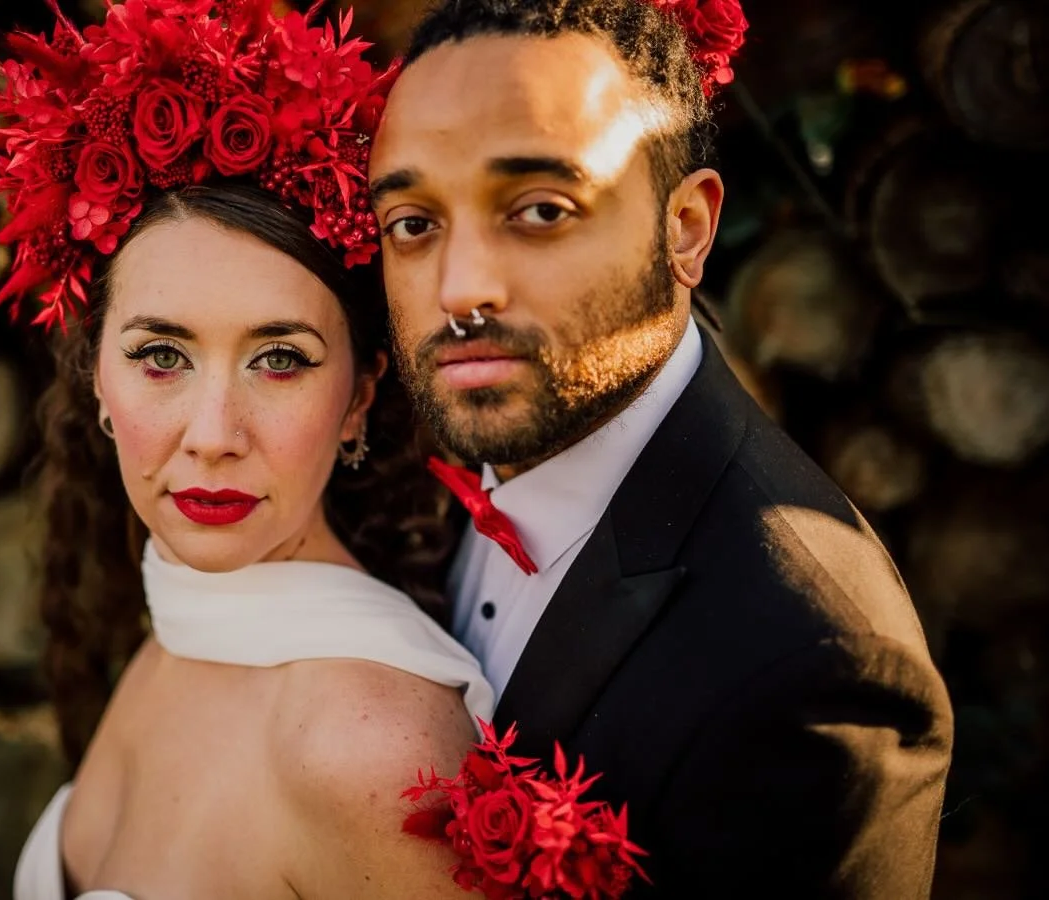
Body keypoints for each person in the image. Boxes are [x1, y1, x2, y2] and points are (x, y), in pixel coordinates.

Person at [369, 0, 954, 895]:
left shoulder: (817, 669)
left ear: (685, 228)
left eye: (540, 209)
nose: (460, 290)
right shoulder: (385, 469)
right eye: (414, 223)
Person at [0, 2, 493, 897]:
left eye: (279, 360)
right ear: (96, 378)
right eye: (161, 356)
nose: (212, 437)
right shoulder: (177, 624)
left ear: (359, 398)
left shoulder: (370, 751)